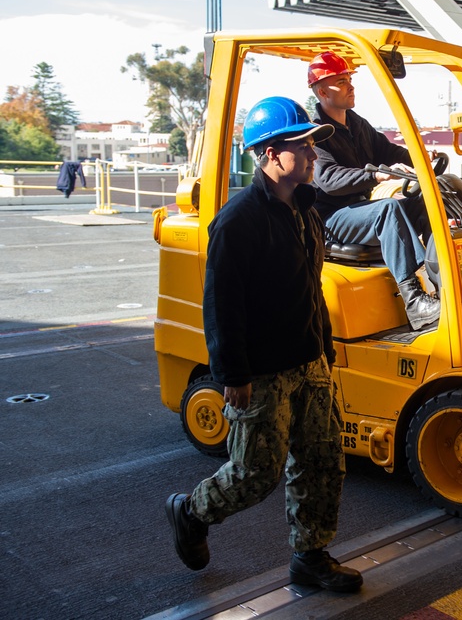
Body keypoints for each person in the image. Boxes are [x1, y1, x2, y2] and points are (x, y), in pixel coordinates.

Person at [165, 96, 362, 594]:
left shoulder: (305, 210)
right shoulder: (239, 220)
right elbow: (221, 306)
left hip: (310, 360)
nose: (315, 155)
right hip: (263, 371)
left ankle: (311, 556)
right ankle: (192, 510)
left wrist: (325, 349)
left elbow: (310, 286)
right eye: (304, 147)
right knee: (256, 473)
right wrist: (233, 374)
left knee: (322, 461)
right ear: (272, 154)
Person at [307, 51, 440, 330]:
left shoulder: (357, 125)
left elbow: (390, 151)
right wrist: (375, 174)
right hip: (332, 218)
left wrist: (421, 158)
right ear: (322, 91)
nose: (350, 86)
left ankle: (442, 282)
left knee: (425, 199)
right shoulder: (316, 133)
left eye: (349, 80)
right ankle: (414, 301)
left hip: (360, 212)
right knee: (387, 209)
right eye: (341, 82)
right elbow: (330, 179)